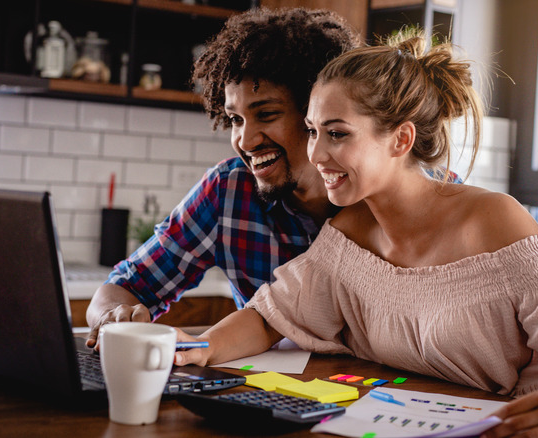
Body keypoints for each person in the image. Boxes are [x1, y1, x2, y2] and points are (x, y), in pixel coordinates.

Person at [174, 29, 538, 436]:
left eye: (337, 134)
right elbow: (268, 317)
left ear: (401, 139)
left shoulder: (497, 221)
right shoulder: (349, 232)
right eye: (313, 131)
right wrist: (195, 349)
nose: (315, 154)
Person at [85, 8, 363, 348]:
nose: (245, 141)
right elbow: (125, 286)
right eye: (235, 119)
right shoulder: (228, 191)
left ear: (317, 113)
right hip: (267, 381)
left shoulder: (378, 193)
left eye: (266, 114)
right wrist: (111, 317)